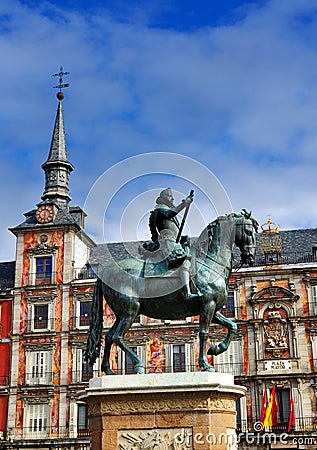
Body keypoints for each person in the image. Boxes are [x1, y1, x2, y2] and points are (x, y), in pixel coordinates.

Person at [143, 188, 200, 300]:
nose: (172, 198)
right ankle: (187, 293)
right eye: (169, 195)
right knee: (185, 262)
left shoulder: (165, 211)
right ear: (163, 198)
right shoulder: (159, 210)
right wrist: (184, 203)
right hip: (168, 242)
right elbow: (171, 213)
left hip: (175, 241)